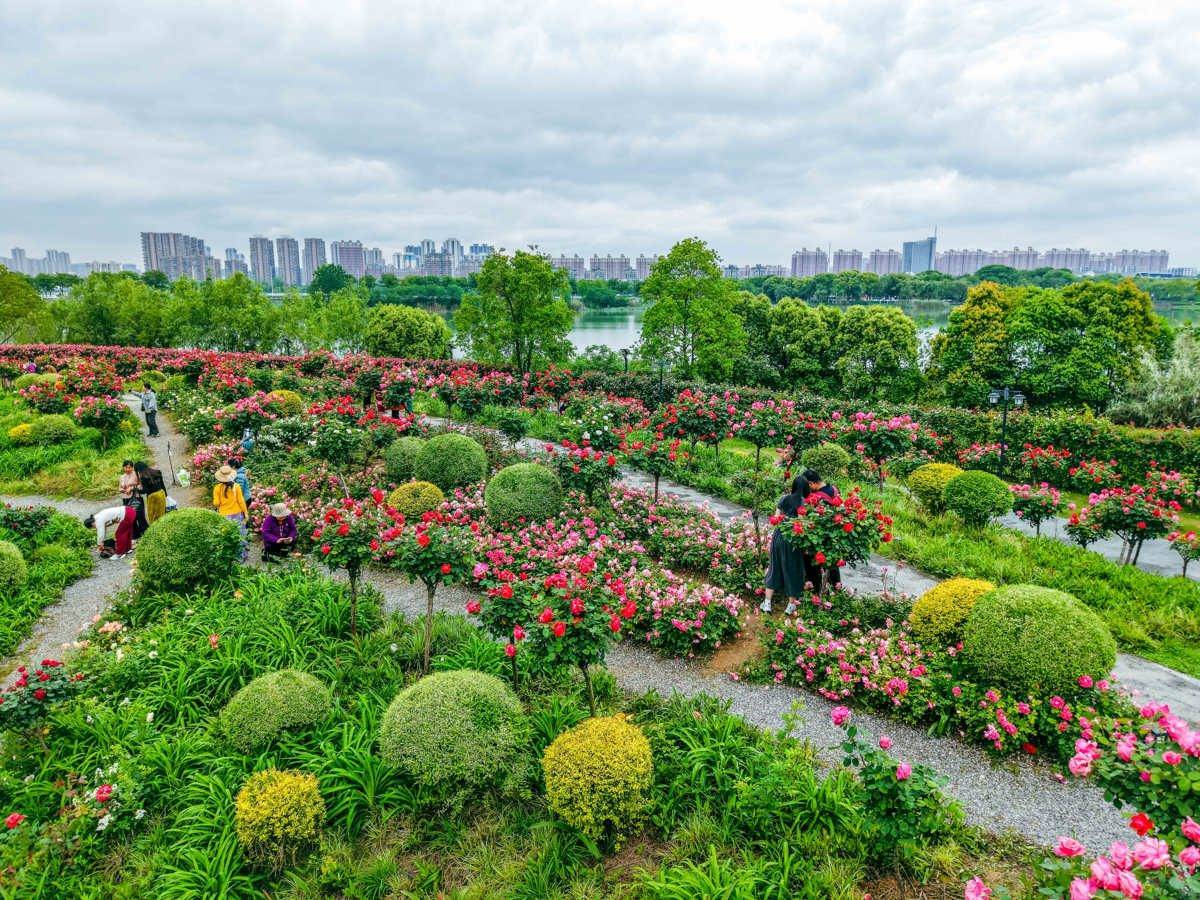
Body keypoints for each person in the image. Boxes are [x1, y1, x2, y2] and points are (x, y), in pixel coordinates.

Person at [760, 475, 812, 616]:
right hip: (793, 539)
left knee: (774, 567)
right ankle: (790, 605)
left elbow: (776, 518)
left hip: (779, 536)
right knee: (793, 570)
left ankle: (767, 603)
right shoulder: (804, 503)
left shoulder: (784, 498)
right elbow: (802, 523)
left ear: (794, 485)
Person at [802, 468, 842, 592]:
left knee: (812, 560)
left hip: (820, 536)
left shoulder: (817, 497)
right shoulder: (834, 489)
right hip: (835, 534)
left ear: (811, 483)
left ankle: (815, 589)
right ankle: (835, 587)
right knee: (832, 562)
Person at [213, 464, 249, 556]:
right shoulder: (236, 486)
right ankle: (242, 554)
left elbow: (216, 503)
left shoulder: (217, 488)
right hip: (237, 513)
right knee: (240, 533)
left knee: (227, 534)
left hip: (224, 515)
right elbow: (241, 501)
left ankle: (231, 554)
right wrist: (246, 513)